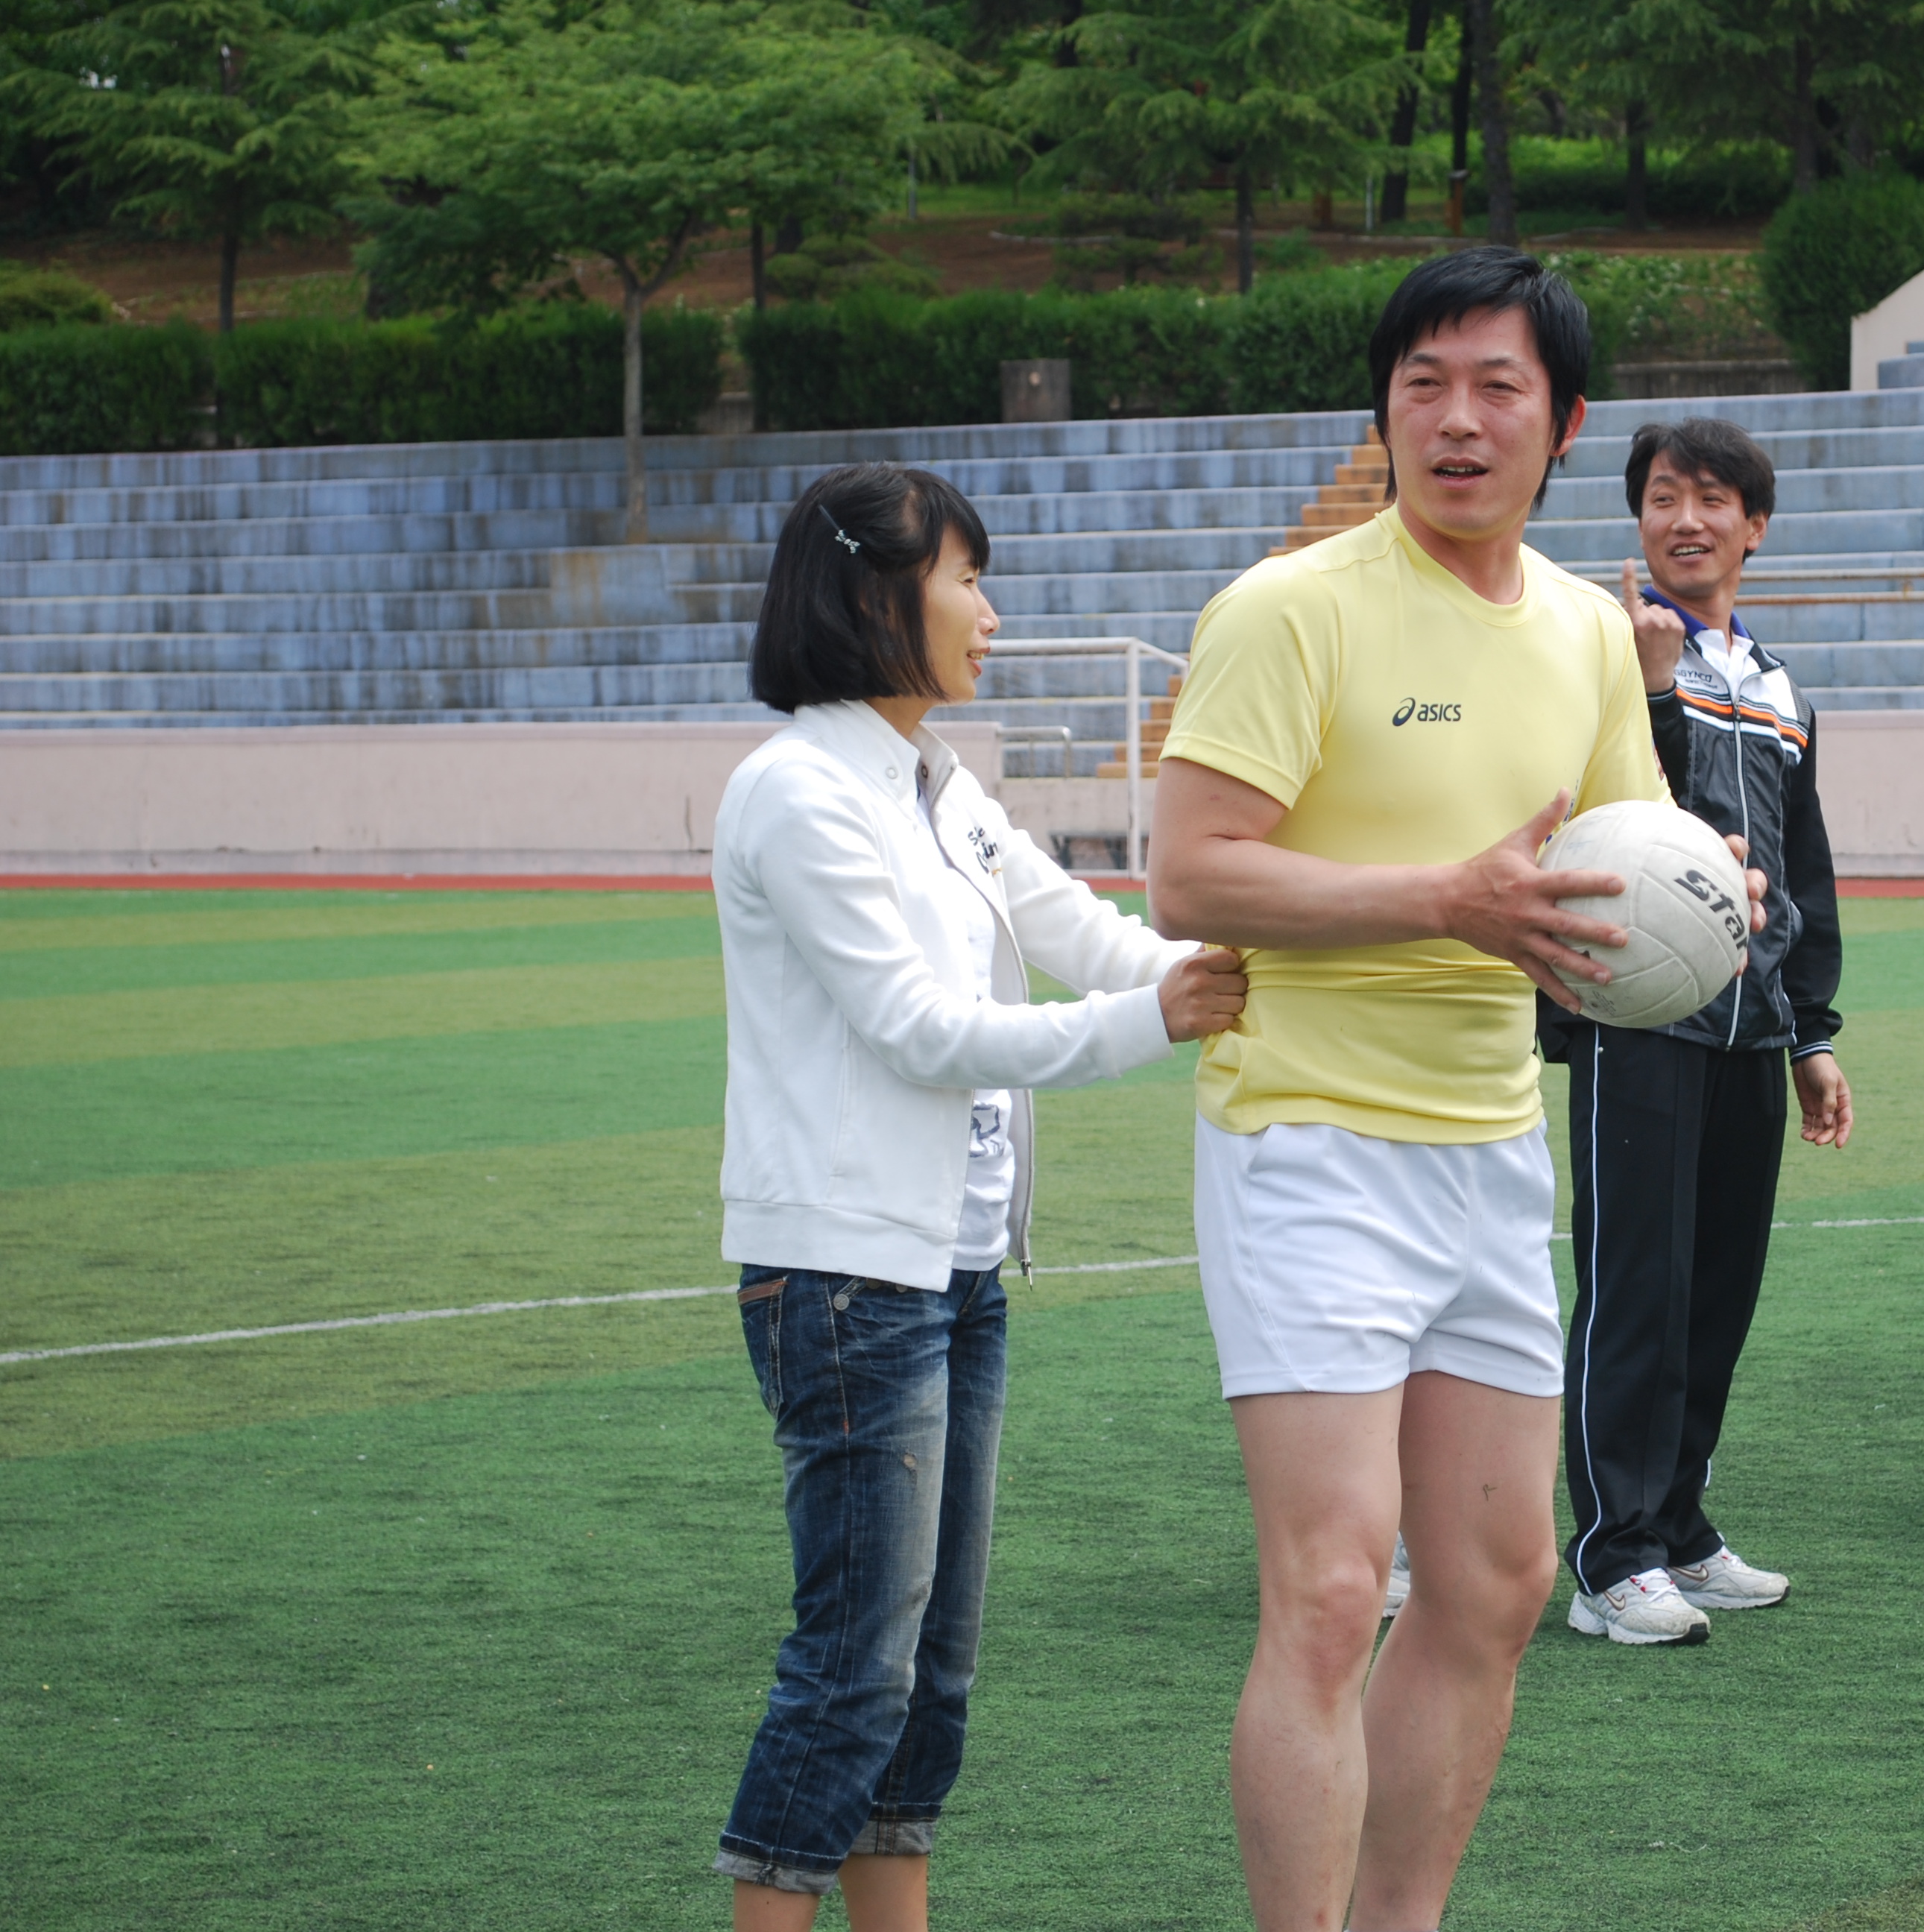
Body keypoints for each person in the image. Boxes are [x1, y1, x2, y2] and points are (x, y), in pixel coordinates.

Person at [1144, 250, 1747, 1931]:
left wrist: (1711, 896)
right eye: (1423, 384)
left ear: (1565, 422)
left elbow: (1615, 861)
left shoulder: (1589, 630)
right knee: (1335, 1587)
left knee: (1491, 1587)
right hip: (1309, 1140)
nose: (1457, 420)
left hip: (1491, 1146)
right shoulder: (1290, 609)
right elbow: (1188, 873)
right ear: (1384, 410)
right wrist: (1443, 900)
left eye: (1496, 387)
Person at [709, 462, 1248, 1930]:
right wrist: (1155, 1021)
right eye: (964, 578)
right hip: (845, 1281)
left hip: (951, 1276)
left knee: (929, 1675)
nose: (989, 612)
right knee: (852, 1668)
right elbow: (916, 1030)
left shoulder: (938, 784)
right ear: (873, 591)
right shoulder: (797, 791)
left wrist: (1249, 971)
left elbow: (1082, 928)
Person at [1533, 416, 1849, 1646]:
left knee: (1718, 1290)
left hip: (1751, 1030)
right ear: (1638, 518)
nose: (1687, 520)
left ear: (1753, 526)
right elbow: (1611, 814)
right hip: (1637, 1018)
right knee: (1636, 1290)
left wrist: (1810, 1032)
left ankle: (1678, 1527)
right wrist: (1656, 689)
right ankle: (1610, 1558)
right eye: (1665, 497)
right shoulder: (1600, 655)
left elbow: (1802, 870)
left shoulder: (1779, 685)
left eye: (1714, 500)